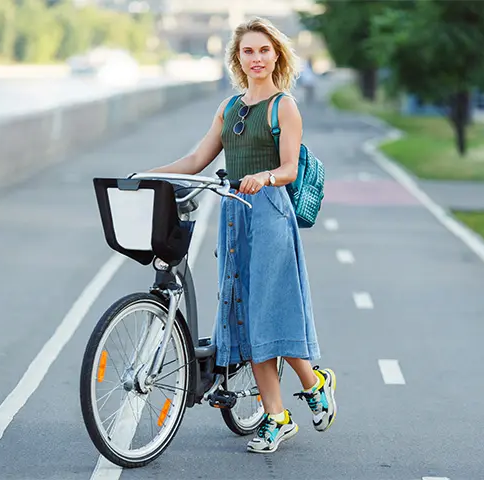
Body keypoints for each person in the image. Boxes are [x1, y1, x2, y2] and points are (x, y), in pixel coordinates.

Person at [145, 16, 337, 454]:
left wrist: (264, 177)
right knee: (243, 316)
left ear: (277, 56)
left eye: (264, 50)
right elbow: (196, 159)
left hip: (269, 213)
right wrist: (147, 175)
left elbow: (289, 169)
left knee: (269, 312)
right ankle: (277, 416)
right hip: (233, 216)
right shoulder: (230, 108)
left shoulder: (283, 106)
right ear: (237, 58)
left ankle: (313, 382)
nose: (256, 58)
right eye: (248, 51)